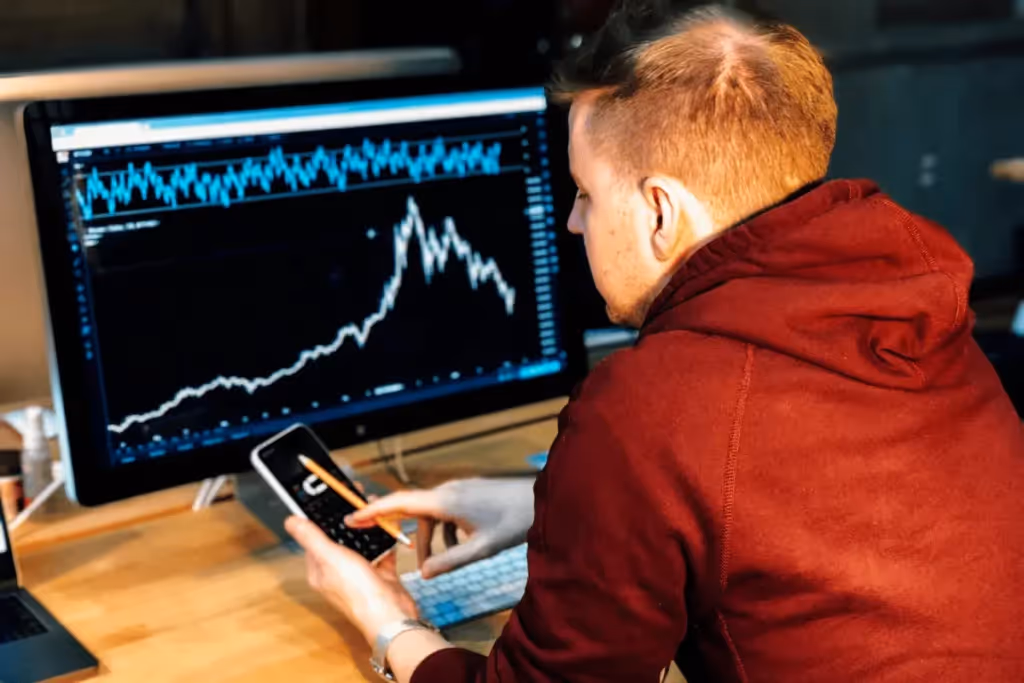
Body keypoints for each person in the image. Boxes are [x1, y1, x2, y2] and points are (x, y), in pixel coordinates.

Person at [284, 2, 1024, 681]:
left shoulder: (652, 404)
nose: (573, 222)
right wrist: (553, 505)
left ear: (660, 212)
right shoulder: (914, 312)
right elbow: (787, 502)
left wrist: (388, 622)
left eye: (585, 193)